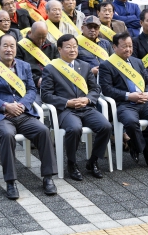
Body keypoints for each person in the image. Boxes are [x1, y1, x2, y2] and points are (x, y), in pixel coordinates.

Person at [0, 34, 57, 199]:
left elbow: (31, 90)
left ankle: (48, 177)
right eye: (5, 46)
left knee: (43, 131)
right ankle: (10, 181)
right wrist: (5, 106)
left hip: (23, 113)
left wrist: (22, 105)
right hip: (2, 116)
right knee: (7, 135)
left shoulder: (24, 66)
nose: (9, 49)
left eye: (12, 46)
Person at [41, 34, 112, 180]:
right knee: (74, 129)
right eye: (68, 47)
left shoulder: (84, 66)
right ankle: (72, 163)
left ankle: (93, 161)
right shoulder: (51, 69)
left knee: (105, 126)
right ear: (59, 49)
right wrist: (67, 103)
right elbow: (46, 95)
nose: (73, 50)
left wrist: (87, 99)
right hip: (66, 110)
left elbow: (95, 89)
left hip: (86, 108)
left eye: (75, 46)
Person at [100, 32, 148, 168]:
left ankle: (136, 143)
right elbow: (107, 90)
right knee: (131, 123)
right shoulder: (107, 65)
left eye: (130, 46)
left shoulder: (137, 62)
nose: (128, 49)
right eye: (124, 46)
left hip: (144, 102)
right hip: (124, 104)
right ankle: (146, 151)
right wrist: (128, 95)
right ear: (114, 47)